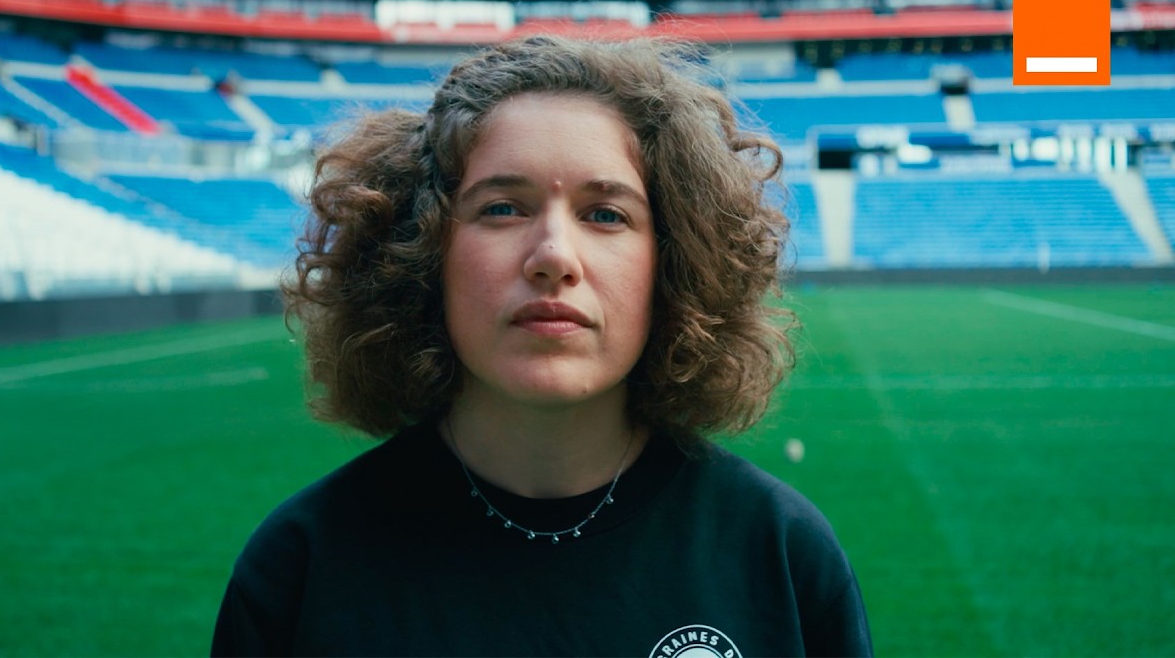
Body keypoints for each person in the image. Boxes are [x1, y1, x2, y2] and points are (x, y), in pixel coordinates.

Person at [212, 34, 872, 657]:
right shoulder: (299, 569)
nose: (554, 255)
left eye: (605, 214)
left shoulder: (783, 558)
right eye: (502, 208)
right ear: (421, 252)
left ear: (674, 262)